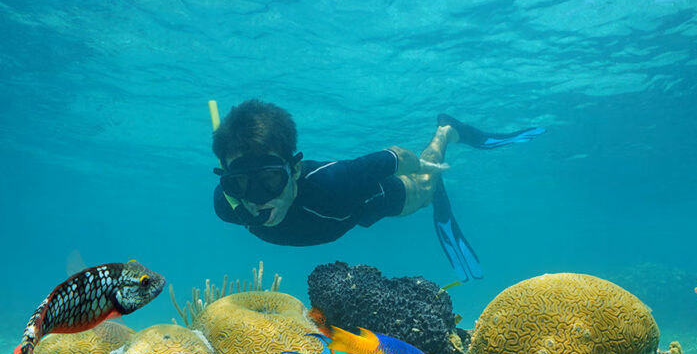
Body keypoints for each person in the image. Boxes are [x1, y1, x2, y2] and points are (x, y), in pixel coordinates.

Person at [210, 99, 545, 281]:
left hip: (364, 200)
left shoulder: (335, 182)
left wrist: (427, 168)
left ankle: (446, 130)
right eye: (239, 182)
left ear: (294, 170)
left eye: (270, 179)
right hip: (342, 218)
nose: (256, 198)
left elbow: (395, 157)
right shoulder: (227, 206)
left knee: (426, 189)